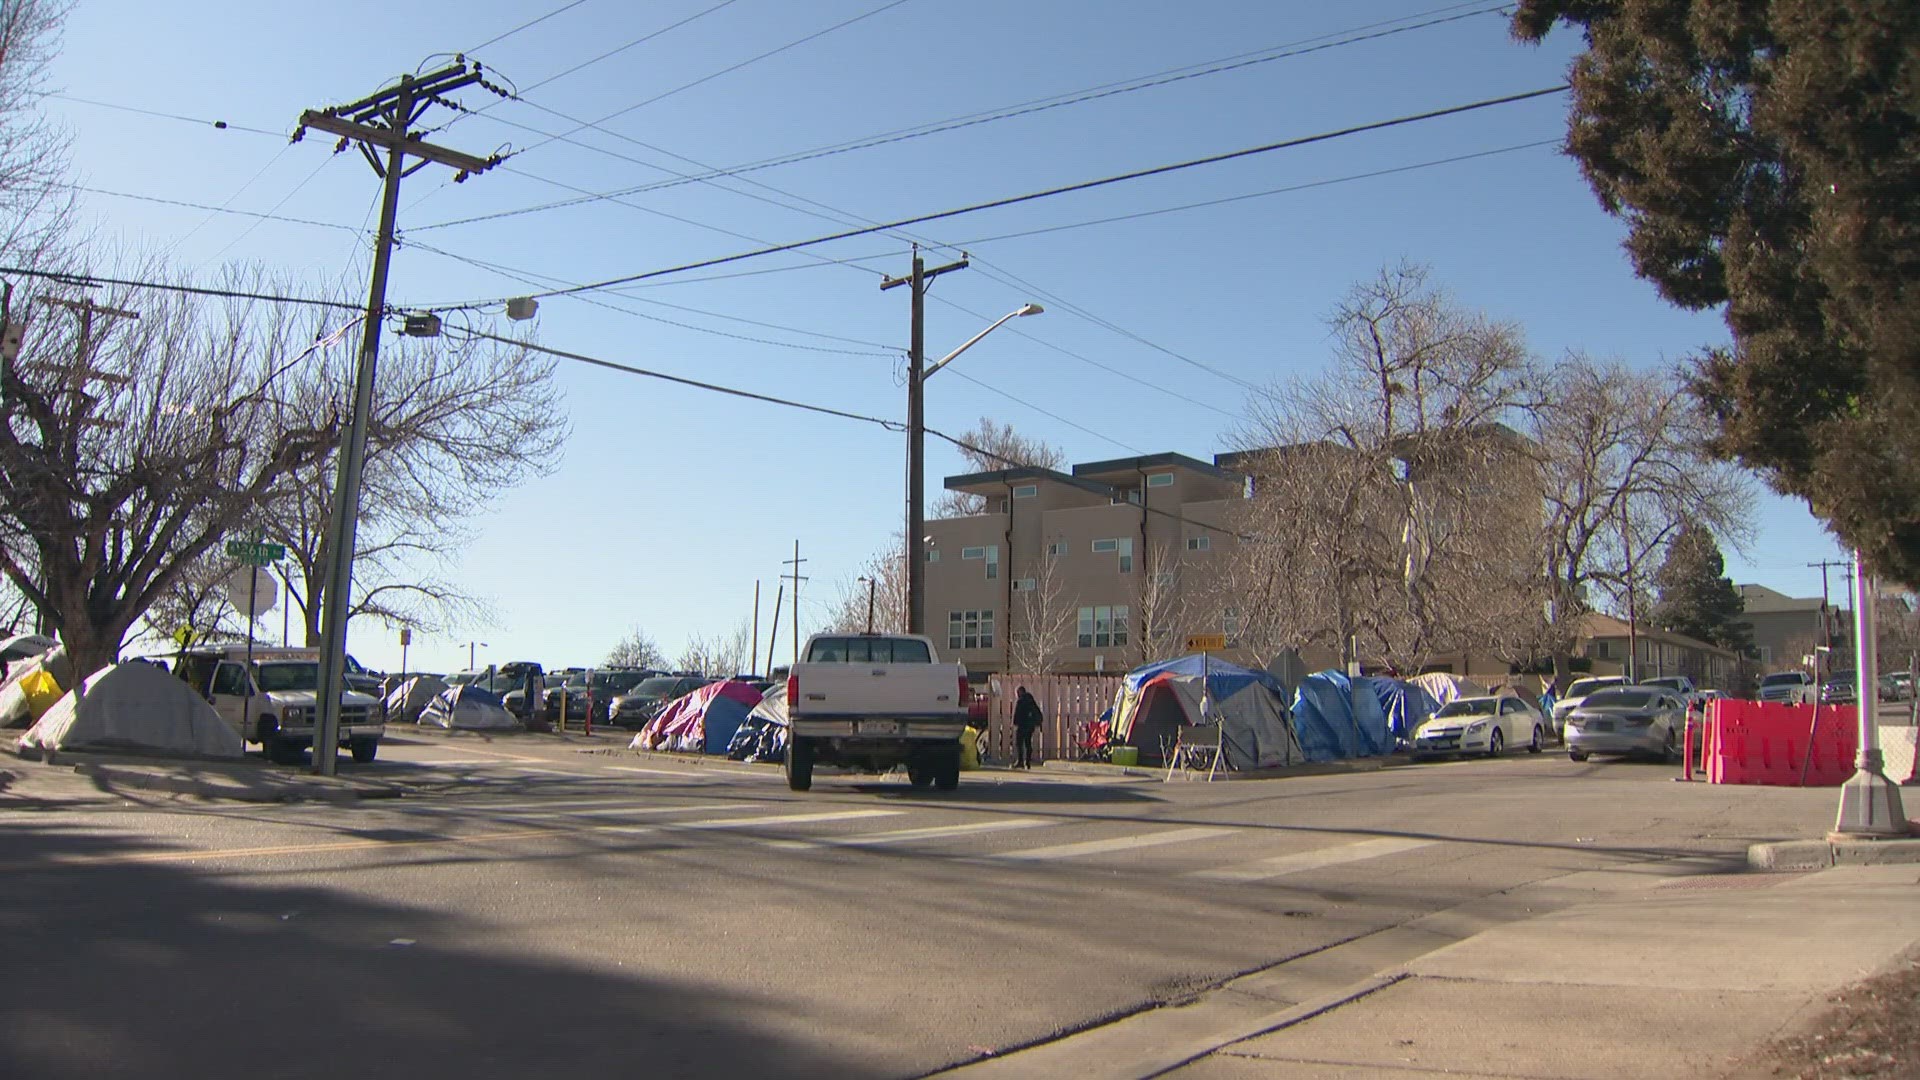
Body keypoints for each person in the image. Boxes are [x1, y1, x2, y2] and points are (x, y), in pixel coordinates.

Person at [1013, 686, 1043, 770]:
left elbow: (1018, 713)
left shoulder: (1021, 701)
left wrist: (1015, 722)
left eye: (1017, 692)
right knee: (1028, 743)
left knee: (1019, 744)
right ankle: (1028, 762)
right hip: (1030, 726)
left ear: (1020, 692)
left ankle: (1020, 761)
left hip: (1022, 725)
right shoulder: (1031, 701)